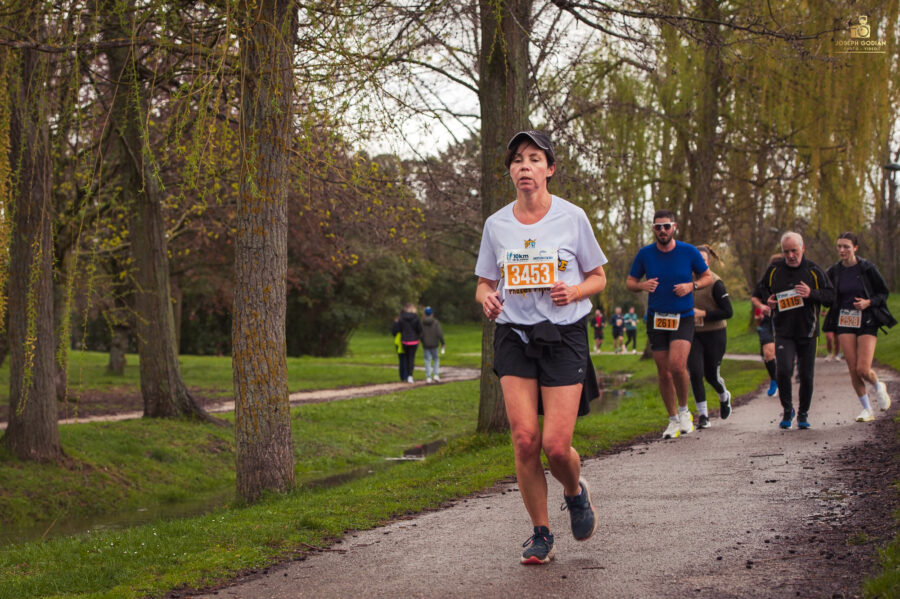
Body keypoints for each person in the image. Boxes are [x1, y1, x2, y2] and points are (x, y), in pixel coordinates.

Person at [475, 130, 607, 565]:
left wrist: (575, 290)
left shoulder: (572, 218)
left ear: (549, 169)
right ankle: (541, 533)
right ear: (511, 171)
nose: (524, 166)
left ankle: (574, 490)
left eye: (534, 159)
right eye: (517, 160)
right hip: (514, 334)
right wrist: (487, 299)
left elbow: (599, 277)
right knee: (524, 438)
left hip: (563, 335)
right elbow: (485, 283)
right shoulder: (497, 224)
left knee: (555, 444)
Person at [626, 209, 713, 439]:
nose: (662, 231)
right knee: (663, 372)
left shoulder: (688, 251)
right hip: (657, 318)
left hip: (683, 316)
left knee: (677, 365)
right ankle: (673, 419)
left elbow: (708, 277)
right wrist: (642, 286)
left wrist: (690, 286)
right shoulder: (645, 254)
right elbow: (630, 282)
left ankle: (685, 412)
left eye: (666, 226)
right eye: (658, 227)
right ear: (653, 229)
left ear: (674, 227)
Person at [752, 232, 834, 430]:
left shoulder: (814, 270)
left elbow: (831, 296)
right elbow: (762, 290)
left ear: (802, 248)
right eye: (786, 251)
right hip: (783, 330)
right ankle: (788, 410)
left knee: (806, 375)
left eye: (794, 251)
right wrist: (769, 301)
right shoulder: (774, 270)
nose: (790, 255)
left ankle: (803, 413)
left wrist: (811, 293)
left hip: (807, 330)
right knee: (784, 371)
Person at [822, 232, 894, 422]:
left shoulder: (867, 268)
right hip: (845, 321)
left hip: (867, 319)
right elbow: (826, 293)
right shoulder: (834, 271)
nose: (842, 250)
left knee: (863, 369)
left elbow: (883, 293)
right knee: (853, 369)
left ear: (855, 248)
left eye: (846, 246)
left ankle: (878, 386)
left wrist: (868, 302)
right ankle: (867, 410)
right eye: (839, 246)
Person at [687, 245, 733, 428]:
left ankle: (724, 396)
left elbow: (728, 312)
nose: (699, 265)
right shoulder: (686, 281)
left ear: (708, 263)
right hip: (694, 334)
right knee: (696, 373)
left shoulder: (715, 283)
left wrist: (703, 314)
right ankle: (703, 416)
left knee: (711, 376)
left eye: (703, 262)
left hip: (715, 334)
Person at [751, 253, 782, 398]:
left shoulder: (790, 280)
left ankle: (784, 378)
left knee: (784, 353)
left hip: (785, 320)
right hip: (767, 321)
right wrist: (762, 306)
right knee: (768, 353)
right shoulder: (763, 282)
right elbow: (754, 297)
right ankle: (774, 379)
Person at [390, 303, 422, 383]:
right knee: (411, 358)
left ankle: (404, 376)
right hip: (414, 340)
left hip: (404, 340)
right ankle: (410, 375)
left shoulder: (401, 318)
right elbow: (419, 329)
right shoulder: (416, 318)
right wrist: (418, 336)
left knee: (405, 358)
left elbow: (397, 329)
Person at [421, 306, 445, 383]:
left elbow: (420, 334)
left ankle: (428, 377)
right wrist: (442, 342)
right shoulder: (436, 322)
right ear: (432, 314)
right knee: (436, 359)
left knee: (427, 360)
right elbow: (439, 333)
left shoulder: (422, 323)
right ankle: (436, 375)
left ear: (425, 314)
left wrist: (423, 341)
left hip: (426, 344)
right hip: (434, 344)